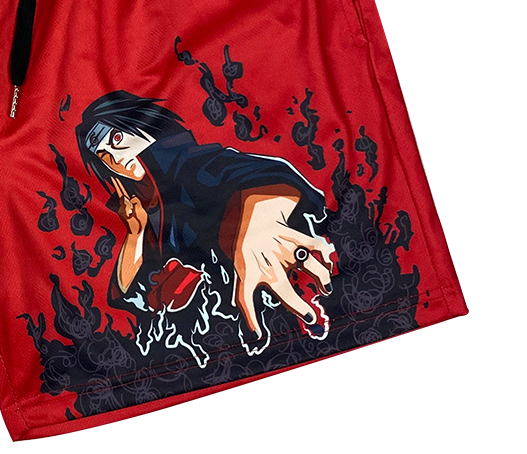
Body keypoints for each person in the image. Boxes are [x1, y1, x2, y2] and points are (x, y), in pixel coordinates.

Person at [75, 91, 336, 346]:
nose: (116, 158)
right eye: (103, 155)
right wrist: (136, 234)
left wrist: (259, 219)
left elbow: (259, 175)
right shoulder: (144, 208)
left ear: (144, 126)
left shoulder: (191, 163)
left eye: (117, 138)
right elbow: (125, 296)